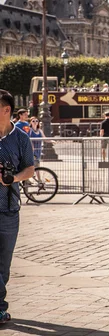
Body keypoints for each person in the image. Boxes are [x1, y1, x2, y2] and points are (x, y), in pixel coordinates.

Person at [0, 89, 35, 324]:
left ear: (6, 110)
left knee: (4, 263)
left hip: (9, 208)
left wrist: (12, 178)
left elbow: (29, 170)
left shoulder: (21, 138)